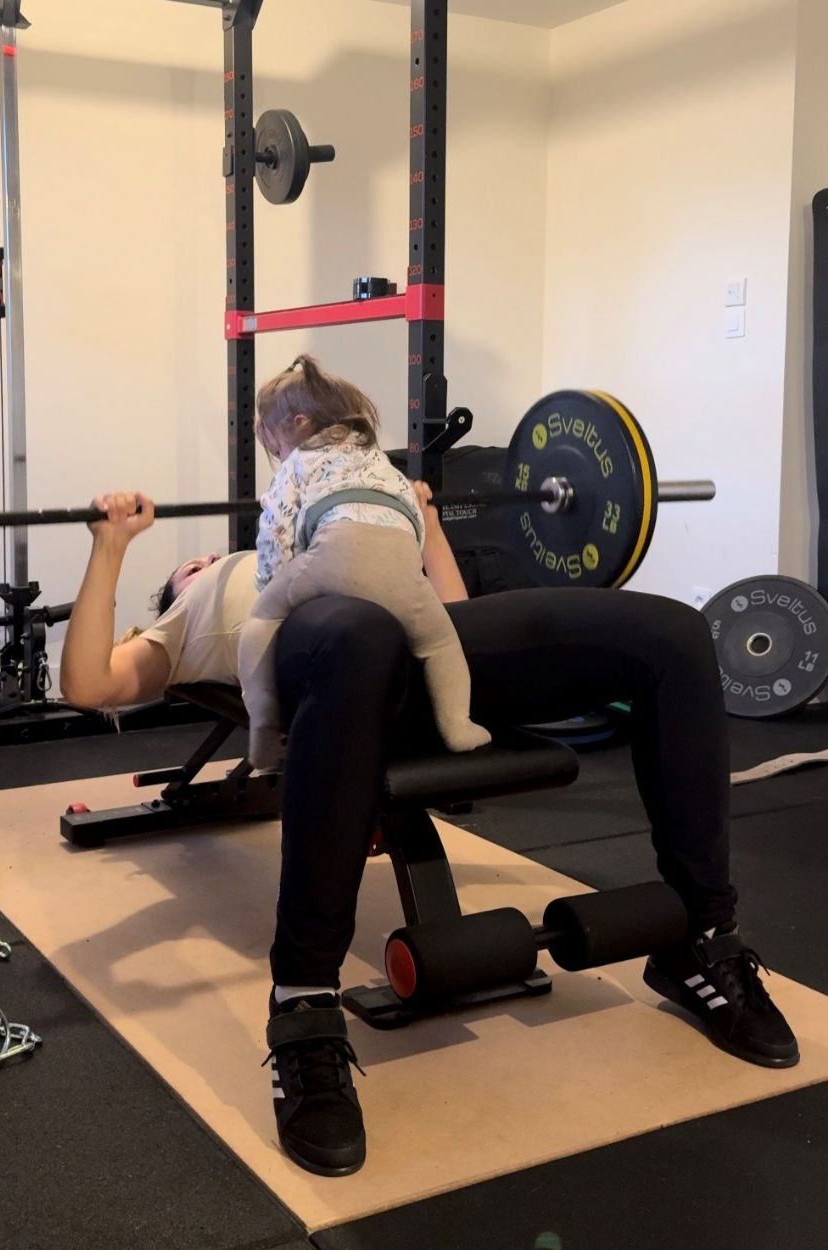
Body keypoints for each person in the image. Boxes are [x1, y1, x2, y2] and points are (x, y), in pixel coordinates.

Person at [60, 458, 799, 1184]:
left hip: (427, 650)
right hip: (335, 659)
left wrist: (428, 525)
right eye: (191, 566)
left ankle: (703, 938)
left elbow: (452, 615)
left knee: (673, 633)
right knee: (358, 635)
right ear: (179, 590)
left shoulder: (315, 539)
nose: (205, 560)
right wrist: (110, 546)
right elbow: (88, 683)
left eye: (208, 557)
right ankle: (303, 1004)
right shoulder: (187, 620)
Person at [237, 355, 490, 770]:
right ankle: (458, 725)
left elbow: (275, 531)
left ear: (299, 424)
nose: (279, 456)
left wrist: (274, 585)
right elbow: (413, 525)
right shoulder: (382, 463)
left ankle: (264, 726)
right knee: (442, 644)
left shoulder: (299, 462)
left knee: (260, 621)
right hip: (402, 567)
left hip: (334, 554)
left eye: (276, 446)